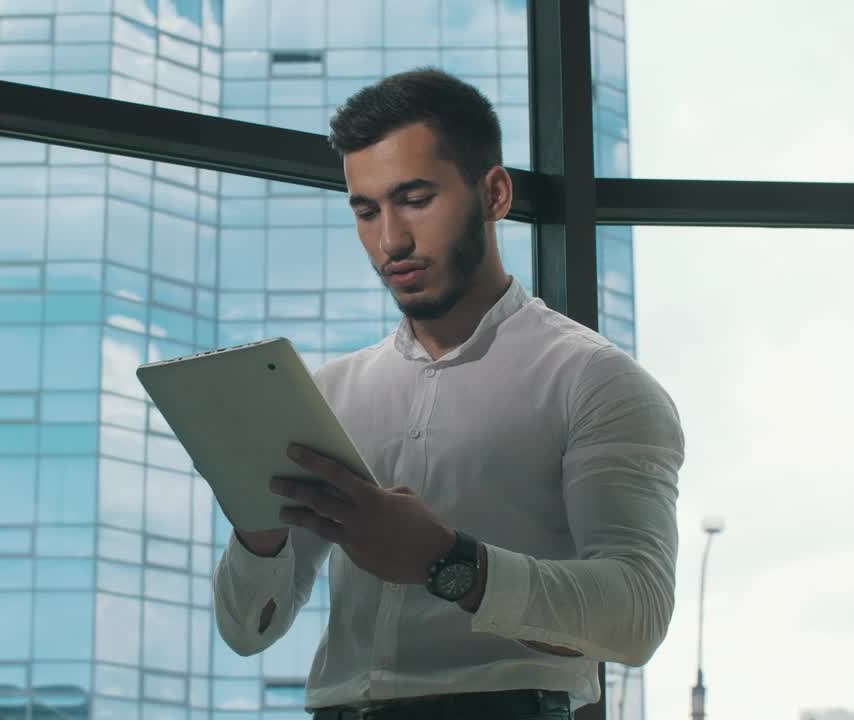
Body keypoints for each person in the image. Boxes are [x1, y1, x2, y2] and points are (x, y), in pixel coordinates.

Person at [211, 68, 685, 720]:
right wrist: (255, 531)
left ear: (493, 193)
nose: (390, 241)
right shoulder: (329, 394)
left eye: (415, 198)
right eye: (367, 210)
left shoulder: (597, 382)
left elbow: (637, 613)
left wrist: (447, 562)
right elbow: (249, 632)